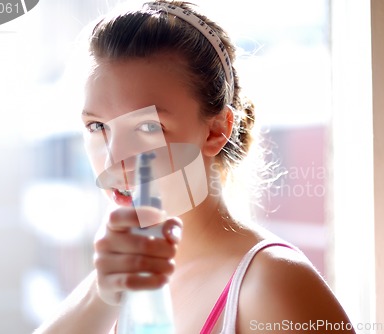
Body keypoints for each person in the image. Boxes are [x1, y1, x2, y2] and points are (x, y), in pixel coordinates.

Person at [34, 1, 355, 333]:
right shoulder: (110, 289)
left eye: (147, 128)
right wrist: (102, 293)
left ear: (216, 130)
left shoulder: (273, 285)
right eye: (98, 127)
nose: (113, 161)